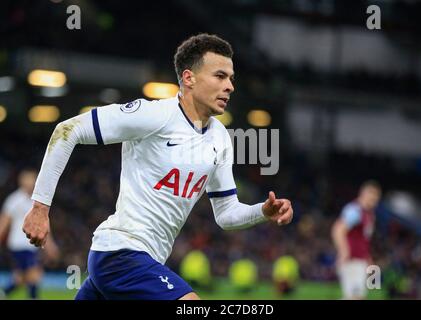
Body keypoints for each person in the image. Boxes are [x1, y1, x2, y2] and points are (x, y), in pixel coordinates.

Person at [22, 33, 294, 300]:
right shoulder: (154, 115)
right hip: (120, 253)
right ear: (189, 78)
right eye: (220, 76)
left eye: (231, 78)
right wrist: (39, 207)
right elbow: (67, 130)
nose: (230, 86)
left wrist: (262, 211)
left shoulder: (220, 138)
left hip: (142, 261)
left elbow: (225, 213)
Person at [0, 169, 58, 299]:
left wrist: (50, 245)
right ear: (21, 182)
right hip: (19, 245)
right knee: (34, 274)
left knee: (20, 277)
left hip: (31, 244)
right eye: (27, 179)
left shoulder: (38, 201)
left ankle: (4, 293)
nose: (30, 183)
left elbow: (44, 224)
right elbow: (3, 223)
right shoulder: (14, 200)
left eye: (32, 179)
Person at [331, 180, 382, 300]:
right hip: (351, 261)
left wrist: (368, 260)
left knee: (356, 297)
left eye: (376, 197)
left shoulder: (369, 214)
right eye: (371, 195)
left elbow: (363, 240)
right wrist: (344, 251)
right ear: (363, 193)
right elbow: (338, 229)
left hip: (360, 261)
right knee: (355, 297)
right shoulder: (355, 210)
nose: (373, 199)